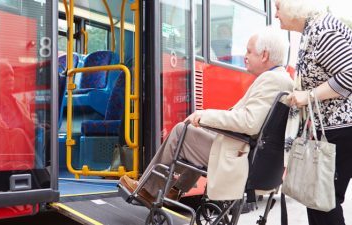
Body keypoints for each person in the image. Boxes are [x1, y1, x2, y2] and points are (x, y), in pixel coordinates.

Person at [120, 27, 293, 206]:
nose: (245, 56)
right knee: (198, 132)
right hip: (252, 156)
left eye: (249, 51)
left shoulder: (271, 80)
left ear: (264, 55)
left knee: (182, 131)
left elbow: (249, 123)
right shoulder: (282, 79)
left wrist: (205, 115)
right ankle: (174, 190)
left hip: (242, 159)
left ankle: (148, 190)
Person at [275, 0, 352, 224]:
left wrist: (309, 96)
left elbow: (349, 74)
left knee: (323, 202)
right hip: (332, 130)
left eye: (279, 7)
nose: (276, 13)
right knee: (318, 201)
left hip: (340, 129)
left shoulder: (323, 30)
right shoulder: (312, 30)